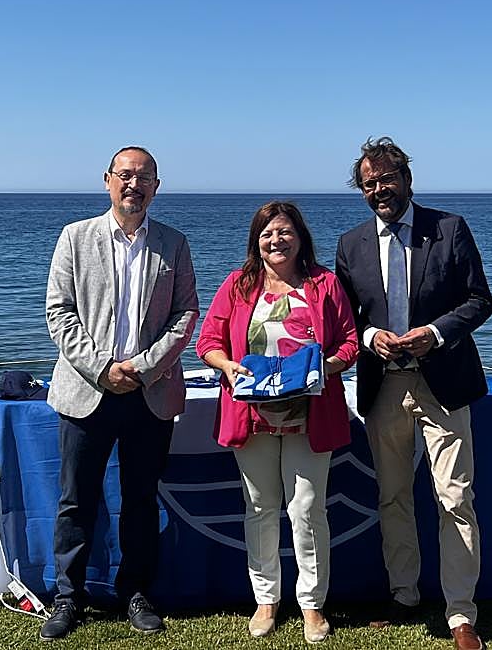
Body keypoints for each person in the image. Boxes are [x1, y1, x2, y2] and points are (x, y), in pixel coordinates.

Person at [335, 137, 492, 650]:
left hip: (443, 382)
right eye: (369, 183)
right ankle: (403, 596)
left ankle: (460, 614)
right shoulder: (351, 245)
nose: (379, 190)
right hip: (383, 386)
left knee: (455, 499)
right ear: (361, 190)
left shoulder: (448, 229)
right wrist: (366, 337)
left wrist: (436, 332)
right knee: (393, 497)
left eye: (387, 179)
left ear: (406, 180)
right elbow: (343, 320)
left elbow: (479, 300)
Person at [41, 146, 199, 641]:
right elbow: (58, 313)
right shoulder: (75, 238)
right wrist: (103, 368)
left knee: (140, 499)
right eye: (125, 176)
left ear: (157, 185)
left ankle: (135, 591)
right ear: (108, 180)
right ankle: (68, 597)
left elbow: (186, 314)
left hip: (149, 393)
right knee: (76, 501)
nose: (134, 184)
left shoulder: (173, 244)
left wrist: (143, 368)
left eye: (144, 177)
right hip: (87, 391)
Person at [197, 202, 358, 644]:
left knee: (307, 510)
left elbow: (349, 342)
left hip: (312, 416)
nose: (276, 240)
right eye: (267, 233)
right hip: (252, 416)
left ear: (300, 237)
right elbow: (208, 341)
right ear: (256, 240)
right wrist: (227, 366)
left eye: (284, 232)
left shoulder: (325, 284)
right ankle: (266, 600)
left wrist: (324, 369)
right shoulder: (238, 283)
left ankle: (312, 604)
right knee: (261, 509)